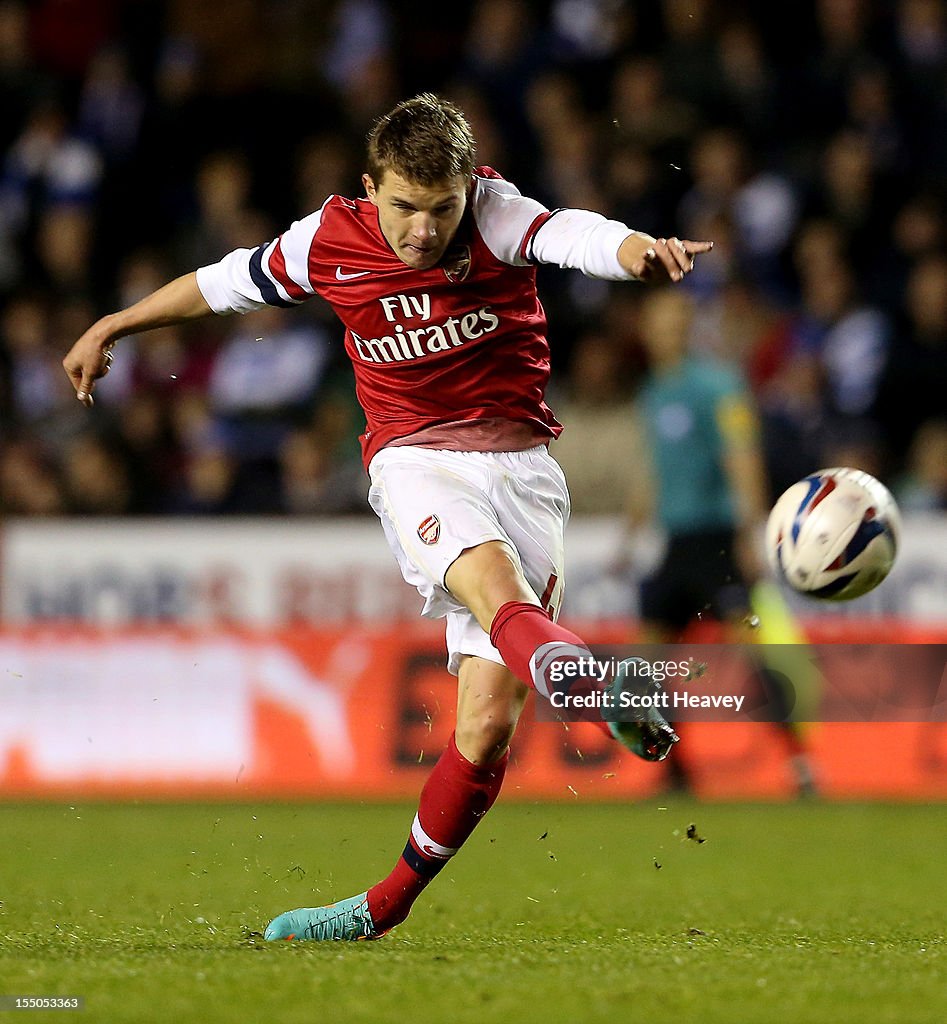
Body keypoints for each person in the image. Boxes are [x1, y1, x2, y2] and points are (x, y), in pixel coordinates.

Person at [63, 94, 712, 941]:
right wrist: (118, 322)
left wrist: (640, 253)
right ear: (371, 188)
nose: (421, 230)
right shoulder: (325, 240)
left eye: (440, 210)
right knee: (491, 590)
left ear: (464, 194)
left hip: (521, 469)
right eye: (404, 206)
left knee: (483, 725)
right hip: (415, 459)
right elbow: (221, 285)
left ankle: (382, 908)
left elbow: (576, 235)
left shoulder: (494, 213)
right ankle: (592, 682)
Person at [628, 288, 816, 795]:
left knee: (751, 653)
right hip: (676, 542)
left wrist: (749, 532)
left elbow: (743, 456)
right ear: (645, 330)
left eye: (676, 322)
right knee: (647, 658)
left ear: (689, 327)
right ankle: (675, 770)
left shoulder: (717, 385)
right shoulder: (652, 392)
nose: (667, 331)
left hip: (718, 539)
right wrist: (631, 530)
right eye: (659, 322)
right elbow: (655, 468)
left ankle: (799, 763)